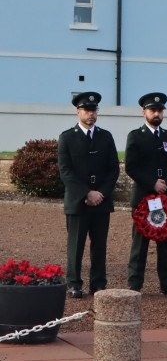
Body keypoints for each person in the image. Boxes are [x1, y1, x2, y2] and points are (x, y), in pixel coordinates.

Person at [57, 91, 120, 298]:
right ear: (78, 111)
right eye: (87, 110)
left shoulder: (106, 136)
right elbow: (66, 171)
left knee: (99, 245)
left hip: (101, 200)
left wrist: (100, 193)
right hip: (78, 200)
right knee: (76, 245)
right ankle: (74, 283)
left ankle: (98, 283)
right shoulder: (67, 137)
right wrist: (86, 193)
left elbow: (113, 169)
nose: (91, 114)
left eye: (94, 110)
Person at [124, 92, 167, 297]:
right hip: (144, 197)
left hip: (165, 198)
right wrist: (152, 183)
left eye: (159, 110)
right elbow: (131, 167)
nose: (157, 113)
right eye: (153, 110)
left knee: (164, 242)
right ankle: (135, 284)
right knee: (139, 244)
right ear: (144, 112)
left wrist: (166, 183)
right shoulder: (135, 135)